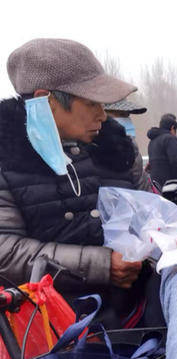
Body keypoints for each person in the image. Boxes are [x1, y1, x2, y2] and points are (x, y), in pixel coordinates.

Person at [0, 38, 163, 329]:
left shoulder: (119, 151)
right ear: (46, 100)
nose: (102, 115)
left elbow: (150, 209)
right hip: (58, 336)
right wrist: (100, 265)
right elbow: (6, 251)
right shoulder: (6, 160)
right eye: (91, 104)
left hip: (143, 314)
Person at [104, 98, 149, 190]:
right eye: (121, 114)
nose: (127, 120)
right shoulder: (87, 146)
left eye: (127, 115)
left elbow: (141, 186)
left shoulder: (131, 148)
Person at [147, 113, 177, 189]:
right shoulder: (170, 139)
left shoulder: (152, 141)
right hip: (171, 186)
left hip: (157, 186)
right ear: (172, 128)